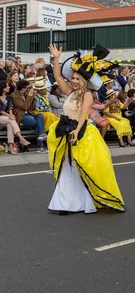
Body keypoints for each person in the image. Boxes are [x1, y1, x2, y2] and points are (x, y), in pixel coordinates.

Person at [46, 43, 125, 214]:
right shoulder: (69, 91)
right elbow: (57, 76)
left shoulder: (88, 94)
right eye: (73, 78)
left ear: (84, 81)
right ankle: (64, 203)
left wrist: (76, 130)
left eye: (77, 79)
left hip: (81, 132)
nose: (73, 81)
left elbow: (83, 114)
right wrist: (57, 58)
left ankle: (82, 201)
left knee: (81, 168)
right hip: (66, 129)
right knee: (67, 166)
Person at [11, 79, 47, 151]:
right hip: (21, 116)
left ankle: (41, 143)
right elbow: (24, 107)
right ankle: (41, 145)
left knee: (40, 116)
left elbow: (30, 108)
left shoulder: (25, 94)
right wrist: (30, 95)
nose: (28, 89)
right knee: (37, 123)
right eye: (27, 88)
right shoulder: (14, 96)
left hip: (29, 114)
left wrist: (32, 97)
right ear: (23, 88)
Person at [0, 80, 31, 154]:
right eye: (7, 86)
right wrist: (9, 115)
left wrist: (11, 114)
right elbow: (0, 110)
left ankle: (11, 147)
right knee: (11, 120)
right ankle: (21, 138)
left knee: (10, 125)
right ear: (2, 88)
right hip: (1, 116)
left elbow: (10, 107)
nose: (8, 87)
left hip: (7, 117)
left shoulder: (8, 97)